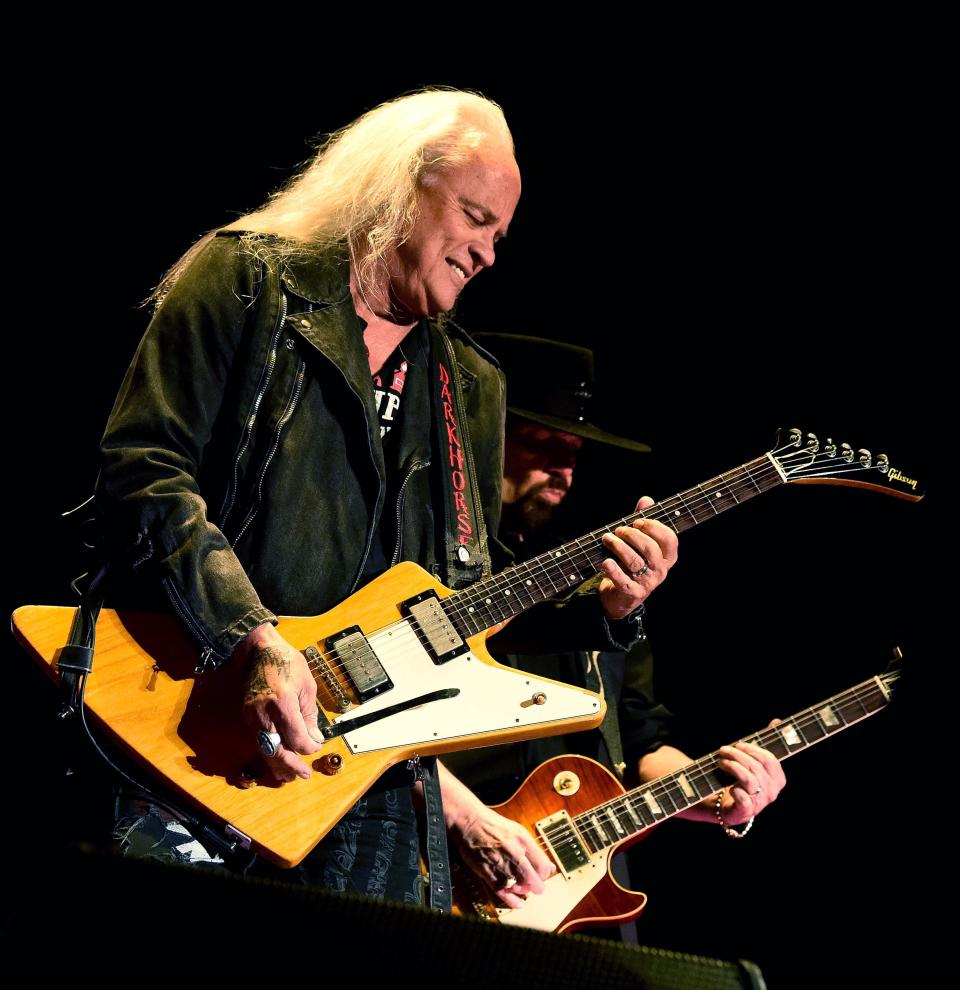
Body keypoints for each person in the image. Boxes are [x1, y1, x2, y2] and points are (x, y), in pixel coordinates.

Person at [93, 91, 674, 907]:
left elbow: (461, 601)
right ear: (401, 186)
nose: (487, 255)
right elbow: (145, 468)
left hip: (374, 782)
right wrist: (252, 639)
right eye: (475, 218)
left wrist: (604, 605)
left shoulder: (469, 384)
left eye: (500, 236)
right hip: (191, 719)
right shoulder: (249, 277)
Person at [438, 335, 786, 922]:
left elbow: (642, 742)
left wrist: (719, 795)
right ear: (481, 440)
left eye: (573, 450)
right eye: (541, 443)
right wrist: (466, 819)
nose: (563, 469)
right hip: (441, 867)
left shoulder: (605, 585)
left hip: (583, 894)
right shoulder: (431, 572)